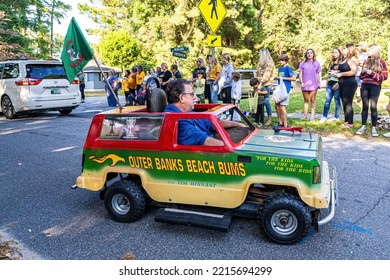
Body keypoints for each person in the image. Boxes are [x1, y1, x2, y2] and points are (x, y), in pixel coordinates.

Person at [164, 79, 246, 146]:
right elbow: (205, 141)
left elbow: (212, 123)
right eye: (192, 94)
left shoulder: (187, 112)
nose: (195, 98)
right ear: (182, 98)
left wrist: (237, 124)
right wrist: (233, 148)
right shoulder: (175, 120)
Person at [355, 44, 388, 136]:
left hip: (375, 87)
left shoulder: (382, 62)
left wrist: (372, 73)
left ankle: (374, 128)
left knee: (373, 107)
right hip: (365, 85)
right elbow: (361, 77)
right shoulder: (366, 61)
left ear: (375, 51)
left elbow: (385, 77)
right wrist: (363, 71)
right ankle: (363, 126)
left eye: (369, 50)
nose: (367, 52)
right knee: (365, 106)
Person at [332, 44, 359, 129]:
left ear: (349, 49)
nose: (343, 50)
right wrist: (338, 82)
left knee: (348, 103)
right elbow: (342, 72)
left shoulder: (352, 60)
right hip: (342, 83)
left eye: (344, 48)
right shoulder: (345, 60)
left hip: (350, 83)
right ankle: (346, 121)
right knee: (344, 103)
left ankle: (350, 123)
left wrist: (341, 74)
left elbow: (354, 71)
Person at [320, 48, 343, 123]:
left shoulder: (342, 63)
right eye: (333, 52)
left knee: (337, 101)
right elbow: (328, 73)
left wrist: (338, 84)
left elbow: (342, 75)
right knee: (327, 100)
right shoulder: (331, 62)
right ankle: (324, 116)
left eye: (336, 52)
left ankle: (336, 116)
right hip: (330, 84)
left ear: (339, 53)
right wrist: (326, 82)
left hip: (337, 84)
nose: (334, 54)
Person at [298, 48, 321, 122]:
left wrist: (319, 82)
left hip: (313, 85)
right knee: (306, 100)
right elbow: (300, 73)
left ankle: (312, 117)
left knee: (313, 100)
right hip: (305, 85)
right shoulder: (302, 63)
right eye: (308, 53)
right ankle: (305, 115)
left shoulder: (316, 63)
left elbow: (318, 74)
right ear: (306, 54)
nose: (309, 54)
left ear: (313, 54)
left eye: (311, 53)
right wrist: (301, 82)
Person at [276, 54, 296, 127]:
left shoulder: (288, 68)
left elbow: (293, 78)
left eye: (282, 60)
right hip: (279, 90)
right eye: (279, 60)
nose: (280, 62)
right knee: (277, 105)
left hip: (285, 89)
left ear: (285, 61)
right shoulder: (279, 69)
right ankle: (280, 122)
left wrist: (282, 78)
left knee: (282, 106)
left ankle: (285, 125)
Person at [256, 48, 274, 125]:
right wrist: (256, 83)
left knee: (266, 102)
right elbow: (257, 73)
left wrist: (260, 84)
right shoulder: (260, 64)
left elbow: (266, 75)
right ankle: (260, 119)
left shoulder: (270, 63)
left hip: (266, 85)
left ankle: (269, 119)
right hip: (259, 84)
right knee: (260, 103)